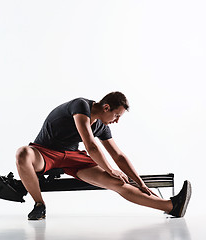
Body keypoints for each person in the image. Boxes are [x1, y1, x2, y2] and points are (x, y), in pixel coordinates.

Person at [15, 92, 191, 220]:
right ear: (106, 107)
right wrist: (110, 169)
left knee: (118, 183)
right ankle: (40, 205)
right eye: (116, 115)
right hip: (45, 151)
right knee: (22, 153)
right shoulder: (81, 106)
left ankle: (171, 206)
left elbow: (118, 156)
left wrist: (140, 183)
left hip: (72, 156)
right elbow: (91, 145)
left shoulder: (101, 126)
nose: (116, 121)